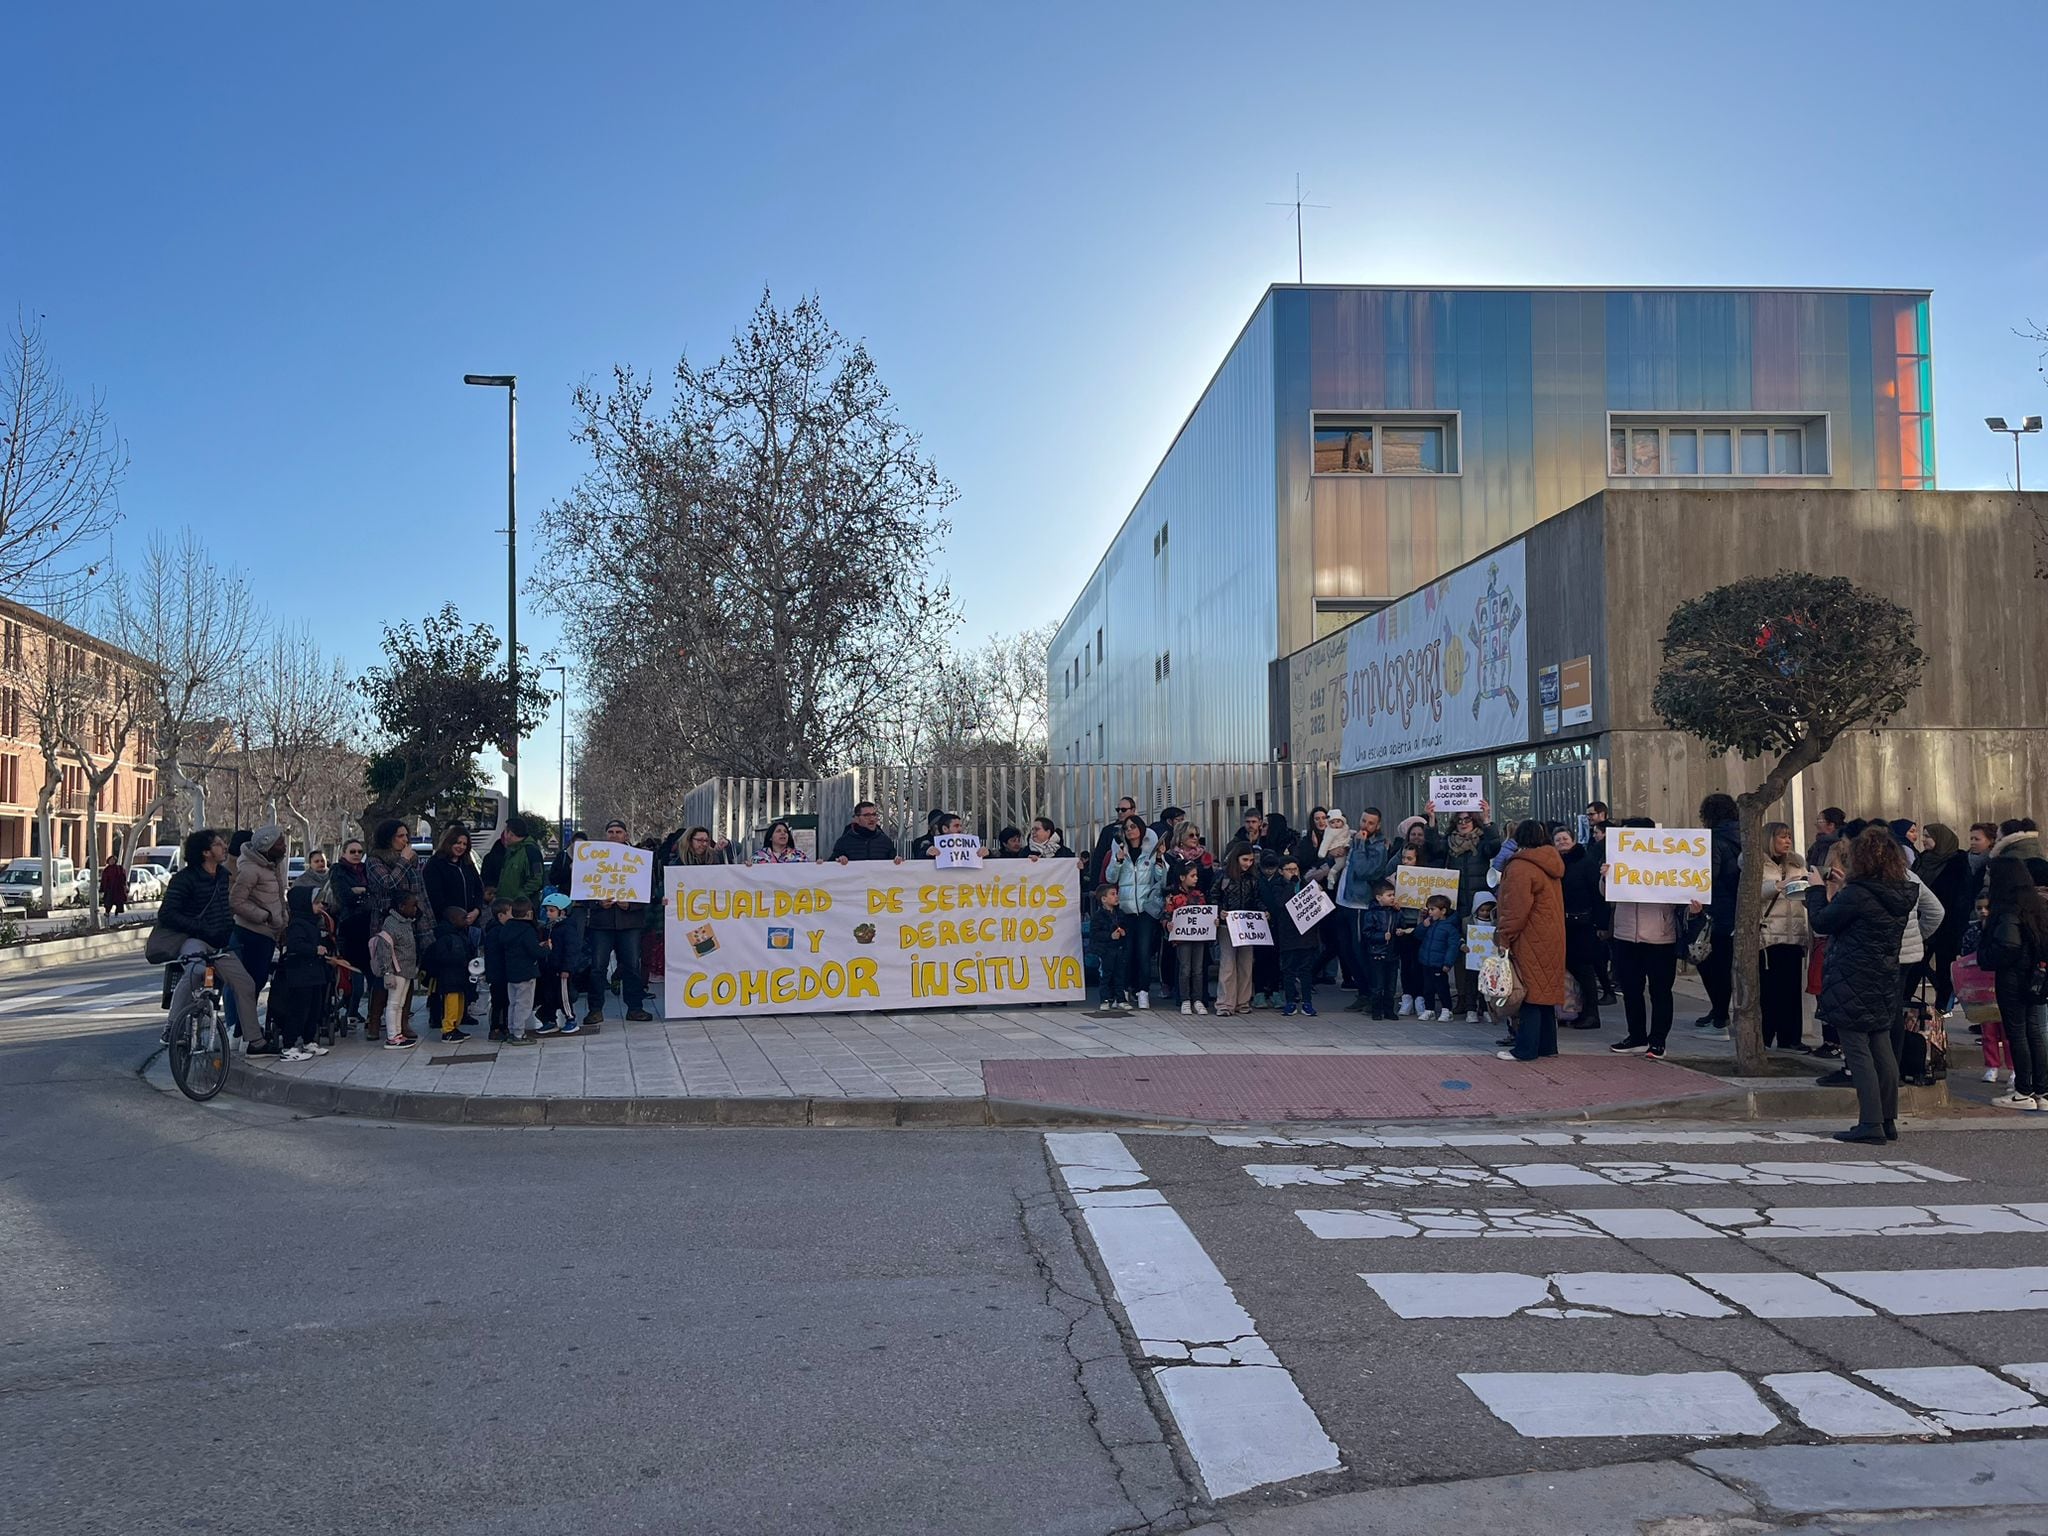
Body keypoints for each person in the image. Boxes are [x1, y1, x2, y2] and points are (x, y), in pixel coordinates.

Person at [1803, 825, 1917, 1143]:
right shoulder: (1900, 891)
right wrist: (1838, 891)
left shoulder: (1858, 894)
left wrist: (1815, 890)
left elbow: (1823, 922)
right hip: (1884, 975)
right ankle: (1887, 1119)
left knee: (1857, 1049)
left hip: (1853, 976)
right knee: (1881, 1046)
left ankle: (1870, 1122)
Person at [156, 829, 266, 1053]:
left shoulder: (223, 876)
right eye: (218, 845)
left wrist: (227, 931)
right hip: (192, 939)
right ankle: (171, 1027)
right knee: (196, 972)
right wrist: (199, 927)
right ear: (205, 852)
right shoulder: (184, 879)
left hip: (220, 942)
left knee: (245, 984)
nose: (224, 847)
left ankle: (256, 1042)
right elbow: (167, 914)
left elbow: (224, 909)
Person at [1606, 819, 1693, 1061]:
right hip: (1625, 935)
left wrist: (1692, 905)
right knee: (1632, 990)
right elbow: (1607, 894)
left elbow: (1682, 893)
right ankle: (1636, 1037)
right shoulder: (1618, 860)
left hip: (1660, 937)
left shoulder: (1667, 861)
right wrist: (1607, 878)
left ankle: (1658, 1041)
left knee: (1660, 991)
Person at [1983, 836, 2048, 1110]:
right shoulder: (2035, 904)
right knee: (2035, 1031)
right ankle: (2042, 1092)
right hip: (2035, 974)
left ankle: (2023, 1090)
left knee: (2018, 1032)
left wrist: (1988, 956)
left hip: (2013, 975)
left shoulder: (2009, 908)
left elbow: (2008, 945)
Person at [1495, 819, 1565, 1063]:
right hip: (1552, 935)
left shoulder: (1520, 867)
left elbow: (1515, 909)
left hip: (1529, 935)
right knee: (1544, 991)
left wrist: (1504, 936)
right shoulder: (1551, 862)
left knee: (1528, 992)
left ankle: (1525, 1049)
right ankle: (1547, 1045)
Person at [364, 818, 431, 1037]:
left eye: (406, 836)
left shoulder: (411, 860)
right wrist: (402, 861)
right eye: (399, 836)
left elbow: (420, 891)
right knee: (385, 974)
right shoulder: (375, 860)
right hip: (387, 922)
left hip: (411, 922)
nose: (404, 840)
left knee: (407, 972)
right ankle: (374, 1021)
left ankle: (403, 1021)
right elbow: (388, 884)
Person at [579, 817, 648, 1025]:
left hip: (630, 923)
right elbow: (582, 892)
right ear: (605, 835)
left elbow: (648, 892)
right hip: (602, 923)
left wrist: (631, 905)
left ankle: (635, 1008)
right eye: (611, 832)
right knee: (598, 967)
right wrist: (599, 903)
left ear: (626, 835)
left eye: (619, 832)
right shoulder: (592, 860)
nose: (615, 835)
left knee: (632, 967)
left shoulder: (640, 859)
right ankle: (595, 1009)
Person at [228, 823, 290, 1054]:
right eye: (280, 843)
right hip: (252, 932)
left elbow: (277, 898)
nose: (284, 846)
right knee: (251, 985)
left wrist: (282, 921)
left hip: (269, 933)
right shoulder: (251, 870)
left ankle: (246, 1033)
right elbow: (236, 901)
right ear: (268, 847)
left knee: (258, 983)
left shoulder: (271, 867)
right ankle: (246, 1034)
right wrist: (264, 917)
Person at [1756, 822, 1812, 1050]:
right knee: (1768, 991)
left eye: (1789, 837)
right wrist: (1779, 885)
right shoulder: (1755, 862)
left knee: (1791, 991)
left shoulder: (1797, 862)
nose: (1787, 841)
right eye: (1782, 837)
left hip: (1794, 932)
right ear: (1770, 839)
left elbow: (1804, 896)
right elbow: (1754, 893)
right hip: (1768, 935)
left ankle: (1790, 1038)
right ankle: (1765, 1036)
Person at [1104, 815, 1166, 1008]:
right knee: (1126, 952)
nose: (1130, 830)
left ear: (1141, 829)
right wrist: (1118, 861)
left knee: (1144, 952)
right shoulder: (1122, 853)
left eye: (1133, 827)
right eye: (1126, 828)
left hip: (1146, 911)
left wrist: (1159, 860)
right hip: (1126, 910)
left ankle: (1143, 991)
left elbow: (1161, 879)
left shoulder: (1149, 853)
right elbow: (1110, 876)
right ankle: (1124, 990)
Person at [1694, 794, 1742, 1030]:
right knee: (1724, 963)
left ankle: (1720, 1012)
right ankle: (1720, 1010)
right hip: (1737, 908)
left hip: (1716, 910)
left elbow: (1708, 877)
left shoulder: (1711, 840)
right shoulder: (1745, 835)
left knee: (1708, 961)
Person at [270, 884, 333, 1061]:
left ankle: (308, 1040)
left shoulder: (313, 923)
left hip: (314, 974)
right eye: (316, 903)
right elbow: (296, 945)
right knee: (299, 1010)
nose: (321, 906)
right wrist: (315, 949)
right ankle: (289, 1045)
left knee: (314, 1008)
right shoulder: (297, 925)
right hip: (301, 975)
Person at [1917, 824, 1973, 1016]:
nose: (1923, 840)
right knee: (1916, 965)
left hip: (1948, 925)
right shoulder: (1922, 860)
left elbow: (1962, 898)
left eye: (1928, 836)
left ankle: (1943, 1006)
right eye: (1923, 836)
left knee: (1944, 967)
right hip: (1921, 922)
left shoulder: (1957, 863)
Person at [1554, 825, 1606, 1031]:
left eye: (1565, 839)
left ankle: (1592, 1013)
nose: (1562, 843)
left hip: (1583, 924)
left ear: (1573, 840)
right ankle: (1575, 1009)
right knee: (1572, 969)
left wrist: (1601, 924)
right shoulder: (1556, 865)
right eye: (1558, 840)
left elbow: (1597, 895)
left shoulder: (1586, 862)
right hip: (1564, 924)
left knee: (1584, 969)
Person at [1211, 842, 1264, 1017]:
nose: (1248, 863)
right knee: (1228, 964)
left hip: (1247, 925)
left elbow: (1257, 899)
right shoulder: (1223, 875)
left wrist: (1264, 912)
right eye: (1245, 859)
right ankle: (1225, 1003)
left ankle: (1242, 1002)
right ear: (1236, 858)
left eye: (1250, 860)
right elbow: (1213, 896)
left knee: (1246, 964)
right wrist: (1220, 911)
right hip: (1228, 925)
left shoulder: (1253, 878)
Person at [1264, 853, 1320, 1016]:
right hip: (1288, 934)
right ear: (1281, 871)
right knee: (1288, 970)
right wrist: (1291, 885)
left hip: (1306, 934)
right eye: (1289, 870)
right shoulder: (1277, 886)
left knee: (1305, 970)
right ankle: (1290, 1002)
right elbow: (1280, 904)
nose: (1293, 873)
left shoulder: (1306, 884)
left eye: (1295, 869)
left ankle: (1307, 1002)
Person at [328, 836, 373, 1026]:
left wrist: (360, 890)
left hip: (369, 924)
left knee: (372, 973)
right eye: (352, 851)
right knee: (354, 971)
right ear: (344, 853)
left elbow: (373, 892)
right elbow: (344, 896)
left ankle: (372, 1014)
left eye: (359, 852)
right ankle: (352, 1010)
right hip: (349, 926)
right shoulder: (338, 870)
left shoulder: (366, 870)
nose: (356, 855)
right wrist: (361, 892)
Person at [369, 893, 423, 1049]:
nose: (415, 909)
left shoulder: (406, 923)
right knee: (393, 1004)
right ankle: (392, 1037)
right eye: (412, 906)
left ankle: (398, 1033)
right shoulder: (390, 924)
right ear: (401, 907)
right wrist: (387, 972)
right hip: (396, 971)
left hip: (406, 970)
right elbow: (384, 949)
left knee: (400, 1004)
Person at [1163, 862, 1211, 1016]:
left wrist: (1213, 921)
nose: (1196, 879)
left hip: (1199, 937)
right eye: (1192, 876)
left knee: (1198, 969)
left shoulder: (1200, 896)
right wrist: (1167, 924)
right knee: (1185, 969)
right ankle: (1185, 999)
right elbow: (1166, 915)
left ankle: (1197, 999)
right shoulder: (1173, 897)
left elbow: (1206, 914)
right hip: (1182, 938)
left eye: (1196, 875)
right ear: (1182, 877)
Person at [1355, 881, 1405, 1018]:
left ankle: (1389, 1010)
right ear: (1379, 897)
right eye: (1389, 895)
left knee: (1391, 986)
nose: (1393, 898)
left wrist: (1400, 928)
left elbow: (1401, 924)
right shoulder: (1371, 914)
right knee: (1378, 985)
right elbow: (1367, 934)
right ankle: (1376, 1010)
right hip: (1377, 953)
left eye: (1393, 895)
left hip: (1392, 953)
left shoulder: (1394, 912)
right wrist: (1381, 936)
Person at [426, 904, 475, 1042]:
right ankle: (448, 1030)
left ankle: (455, 1027)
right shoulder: (444, 937)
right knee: (451, 1003)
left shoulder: (460, 934)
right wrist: (458, 960)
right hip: (449, 977)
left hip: (460, 976)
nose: (466, 920)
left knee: (460, 1001)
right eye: (463, 918)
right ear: (453, 919)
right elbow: (441, 957)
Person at [498, 899, 545, 1043]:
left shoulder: (506, 928)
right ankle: (519, 1034)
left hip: (511, 972)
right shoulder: (527, 930)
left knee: (513, 1003)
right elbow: (535, 951)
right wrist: (546, 948)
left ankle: (512, 1030)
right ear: (529, 913)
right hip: (526, 972)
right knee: (523, 1004)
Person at [424, 827, 485, 932]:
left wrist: (476, 910)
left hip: (471, 923)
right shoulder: (435, 864)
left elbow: (479, 888)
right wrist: (453, 916)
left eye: (464, 844)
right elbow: (434, 896)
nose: (461, 847)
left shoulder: (467, 864)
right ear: (449, 842)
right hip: (447, 925)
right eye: (458, 843)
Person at [1415, 893, 1461, 1020]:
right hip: (1427, 961)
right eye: (1429, 909)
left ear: (1443, 911)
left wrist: (1448, 963)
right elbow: (1418, 936)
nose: (1430, 912)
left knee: (1442, 988)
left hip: (1439, 963)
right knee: (1428, 987)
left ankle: (1447, 1010)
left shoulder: (1450, 928)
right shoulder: (1430, 924)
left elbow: (1453, 947)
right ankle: (1429, 1009)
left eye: (1432, 909)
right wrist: (1423, 926)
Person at [492, 815, 547, 911]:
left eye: (505, 831)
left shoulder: (531, 851)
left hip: (521, 908)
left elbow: (537, 879)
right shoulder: (511, 851)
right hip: (507, 905)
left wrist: (519, 898)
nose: (503, 835)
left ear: (511, 834)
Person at [1089, 884, 1129, 1012]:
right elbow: (1095, 933)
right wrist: (1109, 935)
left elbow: (1125, 927)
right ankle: (1105, 999)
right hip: (1105, 950)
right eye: (1112, 894)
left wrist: (1123, 932)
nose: (1116, 896)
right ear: (1103, 899)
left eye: (1116, 894)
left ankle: (1120, 999)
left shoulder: (1120, 913)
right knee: (1106, 975)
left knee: (1120, 975)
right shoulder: (1098, 916)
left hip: (1118, 948)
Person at [832, 802, 899, 863]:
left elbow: (893, 865)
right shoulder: (843, 842)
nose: (872, 819)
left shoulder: (885, 842)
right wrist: (838, 861)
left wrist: (898, 862)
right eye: (867, 815)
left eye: (874, 814)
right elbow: (830, 867)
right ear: (856, 819)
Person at [1807, 807, 1847, 873]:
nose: (1816, 824)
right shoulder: (1816, 846)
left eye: (1820, 821)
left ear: (1831, 825)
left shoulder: (1843, 845)